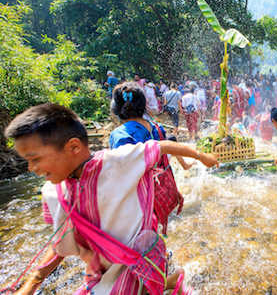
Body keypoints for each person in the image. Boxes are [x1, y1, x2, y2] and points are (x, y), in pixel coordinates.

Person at [4, 103, 218, 295]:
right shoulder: (53, 193)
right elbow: (62, 239)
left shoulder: (116, 161)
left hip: (140, 256)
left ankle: (167, 283)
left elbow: (161, 146)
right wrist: (34, 280)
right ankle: (172, 284)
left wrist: (202, 157)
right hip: (102, 270)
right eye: (28, 161)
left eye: (36, 159)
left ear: (74, 147)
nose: (32, 168)